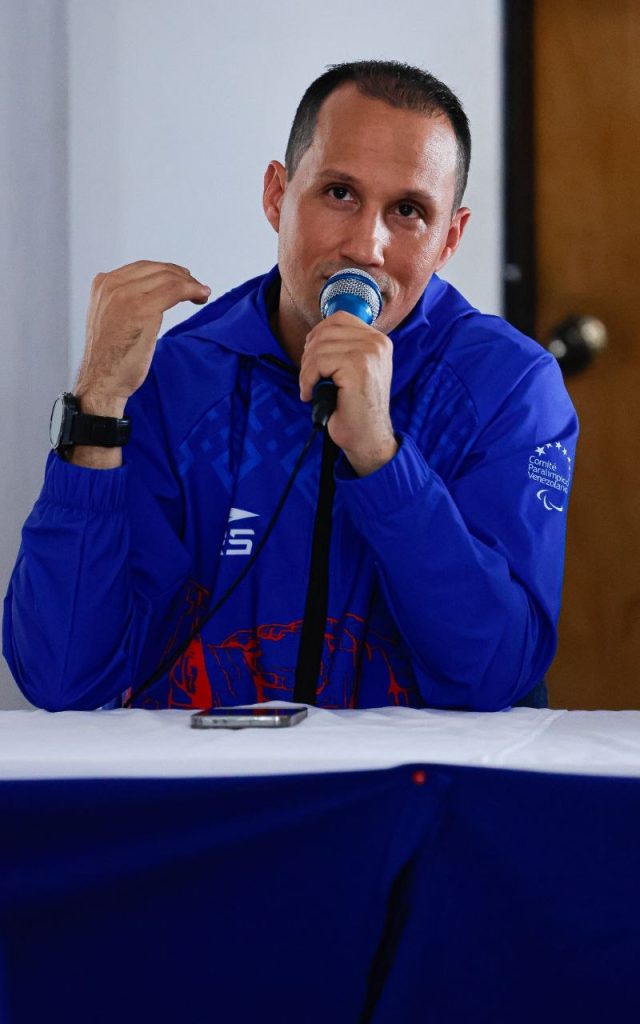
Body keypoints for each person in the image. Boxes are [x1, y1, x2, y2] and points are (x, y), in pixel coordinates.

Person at [3, 60, 578, 712]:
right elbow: (64, 678)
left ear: (449, 238)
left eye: (408, 211)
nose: (367, 246)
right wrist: (98, 405)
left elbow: (495, 674)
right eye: (340, 193)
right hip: (215, 775)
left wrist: (382, 458)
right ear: (277, 196)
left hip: (411, 780)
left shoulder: (510, 387)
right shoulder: (178, 377)